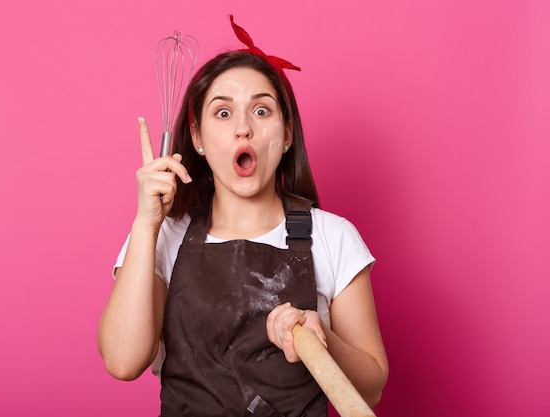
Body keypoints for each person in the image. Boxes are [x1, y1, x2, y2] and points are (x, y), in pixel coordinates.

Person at [98, 15, 388, 416]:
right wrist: (146, 224)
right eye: (222, 113)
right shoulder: (163, 234)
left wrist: (322, 339)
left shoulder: (333, 236)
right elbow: (122, 361)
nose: (243, 130)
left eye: (262, 111)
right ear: (197, 138)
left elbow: (371, 390)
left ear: (287, 133)